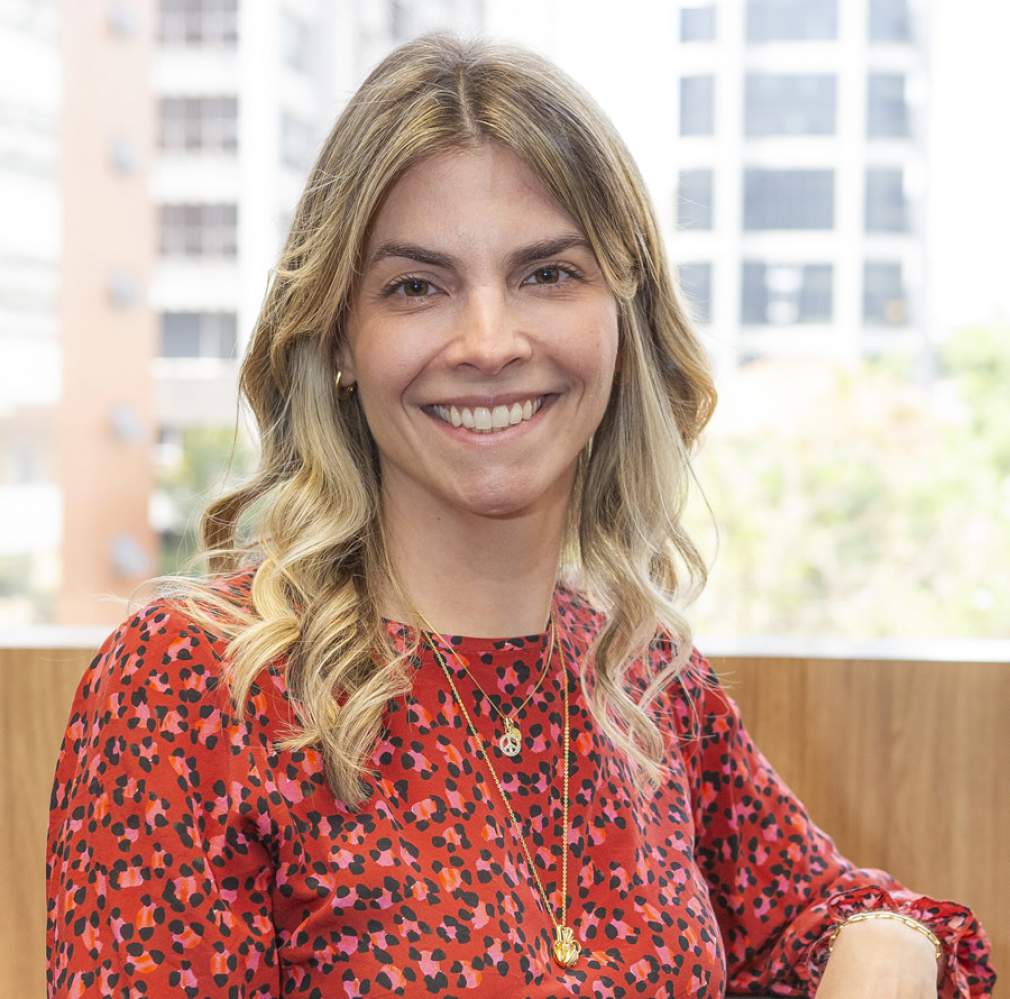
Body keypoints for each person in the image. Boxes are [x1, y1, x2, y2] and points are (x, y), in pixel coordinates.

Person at [46, 32, 995, 999]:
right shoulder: (193, 689)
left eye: (548, 274)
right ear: (338, 339)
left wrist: (886, 947)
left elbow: (836, 913)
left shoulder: (642, 682)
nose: (490, 342)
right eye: (417, 287)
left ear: (623, 318)